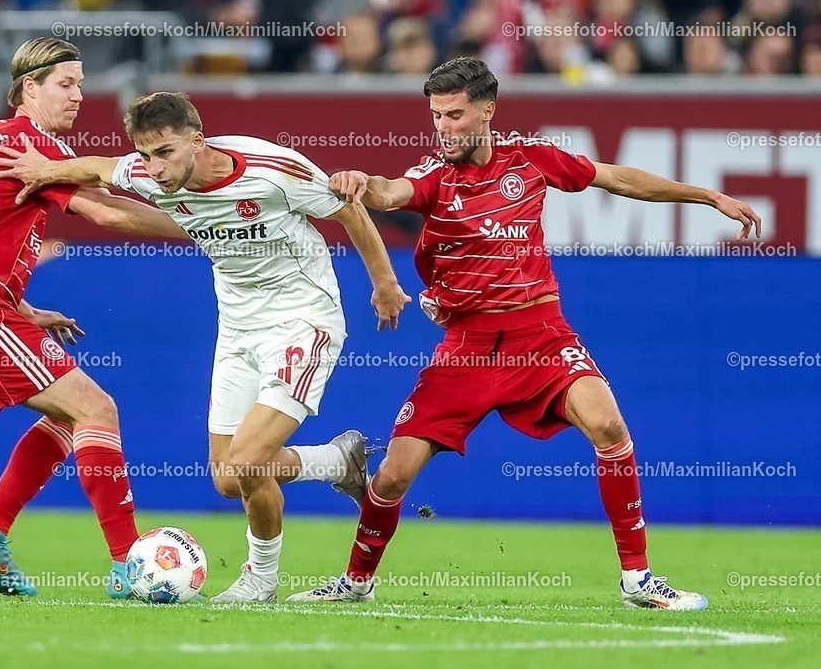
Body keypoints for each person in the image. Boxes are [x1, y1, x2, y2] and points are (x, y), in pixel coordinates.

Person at [288, 57, 761, 610]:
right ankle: (356, 581)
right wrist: (358, 182)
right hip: (467, 351)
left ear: (488, 111)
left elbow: (619, 177)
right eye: (436, 115)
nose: (443, 127)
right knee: (392, 476)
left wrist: (707, 196)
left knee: (609, 425)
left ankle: (639, 580)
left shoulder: (531, 160)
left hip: (541, 337)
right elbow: (391, 193)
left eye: (456, 114)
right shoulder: (434, 176)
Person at [0, 92, 412, 603]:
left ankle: (260, 578)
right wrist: (46, 168)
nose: (153, 168)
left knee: (248, 461)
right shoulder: (148, 174)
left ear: (197, 141)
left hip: (303, 322)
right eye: (144, 154)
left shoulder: (273, 169)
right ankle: (335, 462)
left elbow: (348, 209)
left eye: (164, 152)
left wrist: (384, 283)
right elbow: (100, 168)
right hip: (237, 331)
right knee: (229, 481)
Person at [0, 37, 190, 599]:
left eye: (82, 83)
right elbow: (107, 208)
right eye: (66, 83)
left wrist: (25, 308)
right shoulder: (29, 145)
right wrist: (206, 230)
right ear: (28, 87)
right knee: (97, 409)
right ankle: (129, 566)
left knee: (70, 417)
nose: (79, 95)